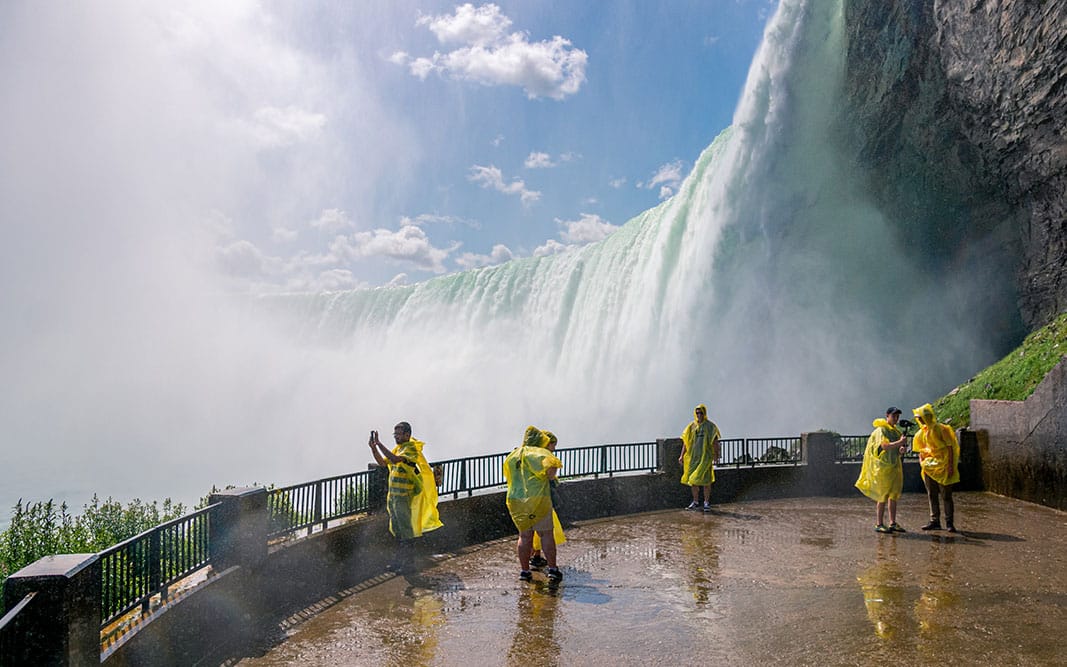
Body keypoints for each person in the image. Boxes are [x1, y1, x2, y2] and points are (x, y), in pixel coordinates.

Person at [368, 422, 443, 571]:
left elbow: (396, 459)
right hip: (394, 498)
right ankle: (398, 562)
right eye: (395, 434)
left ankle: (408, 564)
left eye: (399, 434)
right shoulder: (399, 449)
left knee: (406, 533)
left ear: (407, 435)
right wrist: (374, 448)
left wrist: (380, 444)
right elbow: (383, 463)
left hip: (404, 497)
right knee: (398, 532)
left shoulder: (410, 450)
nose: (396, 437)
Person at [504, 426, 563, 583]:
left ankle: (524, 571)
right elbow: (551, 471)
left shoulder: (512, 455)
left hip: (516, 500)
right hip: (537, 500)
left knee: (524, 536)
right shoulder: (538, 453)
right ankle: (552, 569)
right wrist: (552, 471)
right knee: (545, 534)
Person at [855, 407, 908, 533]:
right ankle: (879, 523)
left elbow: (896, 450)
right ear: (887, 416)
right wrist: (900, 442)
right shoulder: (882, 430)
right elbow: (884, 446)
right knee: (882, 495)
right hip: (883, 468)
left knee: (893, 496)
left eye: (897, 417)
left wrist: (901, 450)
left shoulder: (895, 431)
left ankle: (892, 522)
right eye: (893, 416)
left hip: (894, 466)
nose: (896, 419)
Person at [911, 403, 960, 532]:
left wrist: (950, 466)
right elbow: (921, 449)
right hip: (929, 466)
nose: (919, 420)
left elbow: (950, 447)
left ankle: (949, 522)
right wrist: (922, 461)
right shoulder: (922, 433)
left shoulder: (941, 429)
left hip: (943, 465)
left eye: (921, 417)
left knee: (946, 495)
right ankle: (935, 521)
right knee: (932, 494)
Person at [530, 430, 566, 569]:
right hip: (541, 497)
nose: (554, 448)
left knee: (532, 531)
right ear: (547, 443)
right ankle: (548, 564)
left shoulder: (530, 455)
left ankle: (536, 556)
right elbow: (549, 477)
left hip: (528, 498)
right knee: (543, 531)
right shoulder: (543, 457)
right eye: (553, 444)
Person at [679, 404, 720, 511]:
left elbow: (715, 441)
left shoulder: (710, 426)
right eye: (697, 413)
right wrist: (682, 455)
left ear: (704, 413)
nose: (699, 415)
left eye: (701, 412)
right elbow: (685, 442)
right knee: (693, 481)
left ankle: (706, 502)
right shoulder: (691, 427)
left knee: (706, 481)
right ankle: (696, 501)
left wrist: (716, 455)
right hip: (694, 458)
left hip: (705, 458)